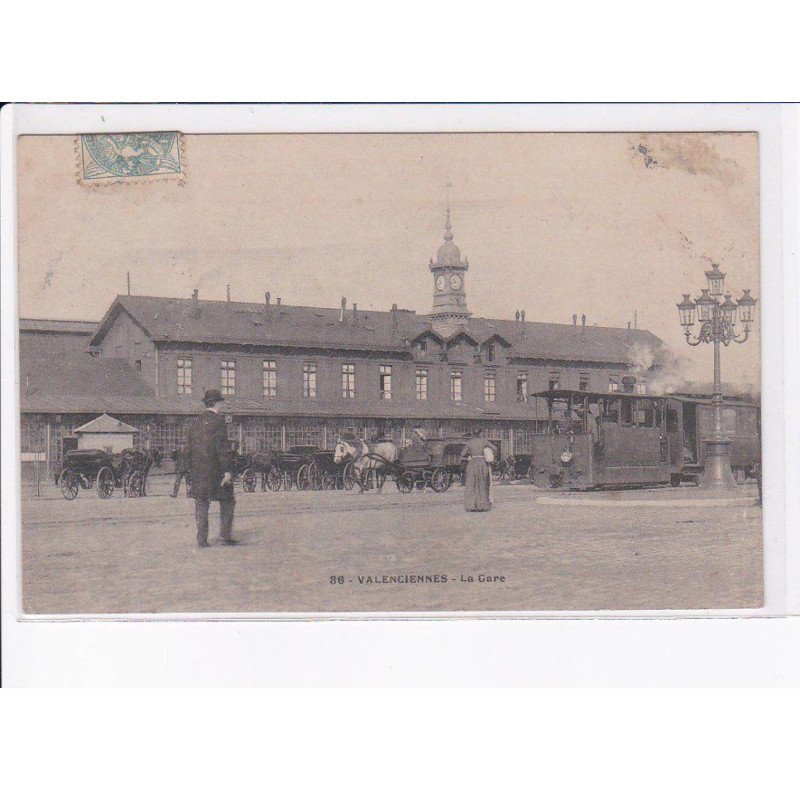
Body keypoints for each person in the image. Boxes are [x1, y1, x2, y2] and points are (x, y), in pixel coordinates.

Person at [184, 389, 237, 547]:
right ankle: (225, 536)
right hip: (217, 472)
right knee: (228, 501)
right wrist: (228, 470)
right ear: (219, 403)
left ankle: (202, 539)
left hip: (199, 473)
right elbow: (223, 448)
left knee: (201, 504)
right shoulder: (219, 421)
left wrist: (189, 471)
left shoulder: (194, 422)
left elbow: (189, 449)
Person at [462, 426, 497, 512]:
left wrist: (470, 453)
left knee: (471, 484)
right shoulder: (484, 441)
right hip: (482, 463)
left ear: (473, 433)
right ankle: (483, 505)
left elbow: (463, 453)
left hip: (472, 463)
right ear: (481, 433)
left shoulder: (469, 442)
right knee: (483, 484)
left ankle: (472, 506)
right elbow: (495, 448)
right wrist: (490, 456)